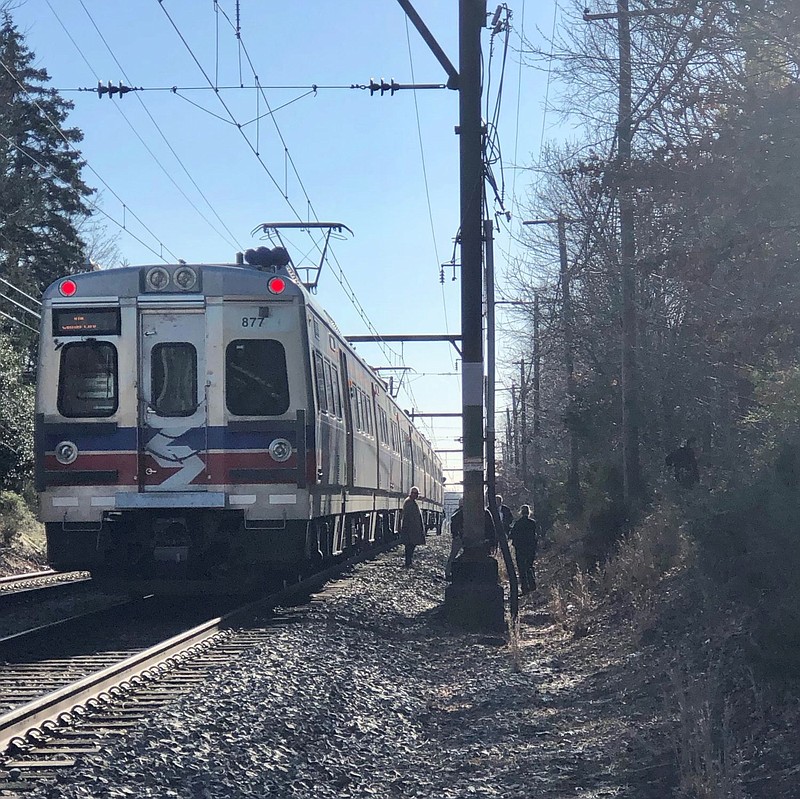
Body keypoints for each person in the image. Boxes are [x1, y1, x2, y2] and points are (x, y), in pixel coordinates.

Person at [510, 504, 538, 593]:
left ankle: (524, 588)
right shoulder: (532, 523)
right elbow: (536, 535)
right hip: (530, 548)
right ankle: (532, 585)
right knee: (529, 566)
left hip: (520, 548)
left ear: (521, 513)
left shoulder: (518, 523)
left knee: (521, 568)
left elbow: (512, 535)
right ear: (529, 512)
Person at [399, 486, 425, 567]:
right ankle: (408, 562)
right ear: (412, 494)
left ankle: (409, 562)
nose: (417, 496)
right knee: (409, 546)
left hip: (412, 529)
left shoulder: (411, 502)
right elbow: (408, 517)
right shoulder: (409, 502)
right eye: (416, 494)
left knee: (411, 546)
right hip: (411, 529)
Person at [445, 498, 464, 580]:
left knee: (453, 555)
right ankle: (448, 572)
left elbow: (453, 525)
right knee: (453, 555)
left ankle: (448, 572)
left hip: (458, 537)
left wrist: (455, 535)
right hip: (460, 537)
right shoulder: (460, 513)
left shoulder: (456, 513)